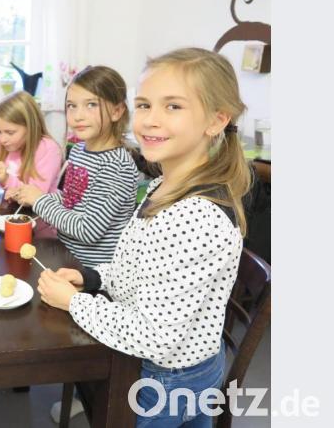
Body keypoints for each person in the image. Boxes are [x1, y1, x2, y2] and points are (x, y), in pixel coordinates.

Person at [37, 47, 251, 427]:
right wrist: (93, 278)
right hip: (165, 367)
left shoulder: (195, 217)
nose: (150, 120)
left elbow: (153, 337)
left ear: (217, 120)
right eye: (145, 104)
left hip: (166, 379)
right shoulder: (162, 186)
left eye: (173, 107)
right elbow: (138, 267)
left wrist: (74, 302)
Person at [6, 66, 138, 267]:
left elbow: (87, 230)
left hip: (90, 270)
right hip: (65, 252)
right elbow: (72, 198)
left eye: (91, 104)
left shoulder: (116, 166)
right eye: (71, 106)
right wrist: (29, 195)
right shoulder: (78, 150)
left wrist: (40, 200)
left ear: (117, 111)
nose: (78, 116)